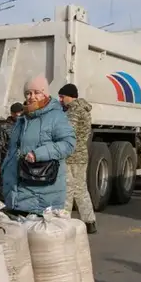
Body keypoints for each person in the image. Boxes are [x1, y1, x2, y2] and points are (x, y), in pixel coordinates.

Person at [1, 75, 76, 217]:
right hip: (17, 192)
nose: (32, 97)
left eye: (37, 92)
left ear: (45, 94)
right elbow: (13, 151)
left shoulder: (56, 116)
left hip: (41, 193)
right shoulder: (22, 119)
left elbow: (68, 144)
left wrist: (38, 154)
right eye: (28, 93)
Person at [58, 83, 97, 234]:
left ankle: (64, 222)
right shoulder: (83, 109)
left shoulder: (73, 111)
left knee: (67, 190)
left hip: (71, 156)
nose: (60, 100)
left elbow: (68, 132)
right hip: (81, 155)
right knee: (81, 189)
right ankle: (89, 221)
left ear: (70, 96)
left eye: (62, 97)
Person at [0, 102, 25, 178]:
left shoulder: (27, 125)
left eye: (20, 112)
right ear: (12, 113)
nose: (18, 115)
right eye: (16, 113)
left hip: (25, 163)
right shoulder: (4, 128)